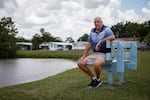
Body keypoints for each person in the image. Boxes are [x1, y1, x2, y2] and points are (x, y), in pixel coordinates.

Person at [77, 16, 115, 88]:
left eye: (98, 22)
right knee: (80, 63)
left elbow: (113, 37)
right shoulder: (92, 31)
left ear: (102, 22)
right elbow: (89, 44)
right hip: (95, 54)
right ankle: (94, 79)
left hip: (105, 54)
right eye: (95, 22)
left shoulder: (107, 29)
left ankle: (98, 80)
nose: (96, 23)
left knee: (96, 63)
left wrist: (101, 41)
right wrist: (84, 56)